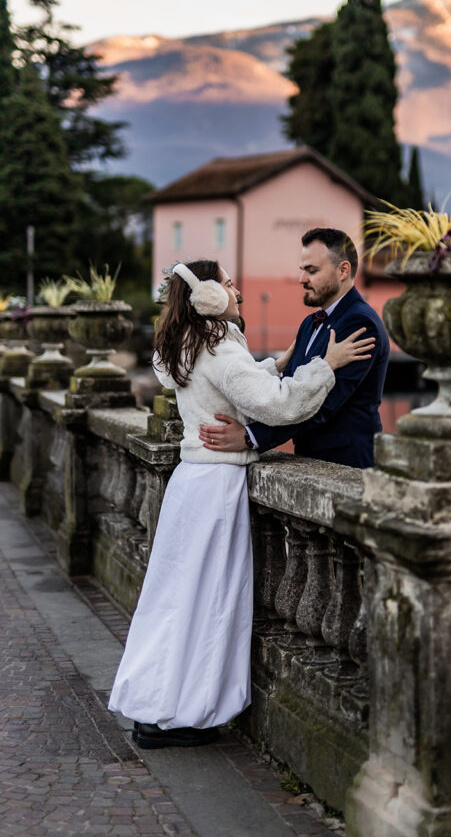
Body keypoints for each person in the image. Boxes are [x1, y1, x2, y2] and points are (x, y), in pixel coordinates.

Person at [108, 259, 374, 749]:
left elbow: (227, 384)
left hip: (191, 483)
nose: (238, 292)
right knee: (206, 602)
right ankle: (183, 715)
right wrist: (324, 366)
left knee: (172, 601)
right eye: (228, 284)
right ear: (208, 296)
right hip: (214, 489)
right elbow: (279, 406)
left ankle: (153, 708)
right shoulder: (220, 345)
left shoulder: (186, 344)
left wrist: (275, 362)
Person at [198, 228, 390, 468]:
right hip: (309, 459)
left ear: (343, 270)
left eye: (312, 271)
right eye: (303, 270)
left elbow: (322, 405)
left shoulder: (360, 323)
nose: (302, 279)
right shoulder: (309, 323)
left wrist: (251, 437)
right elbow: (288, 390)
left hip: (347, 463)